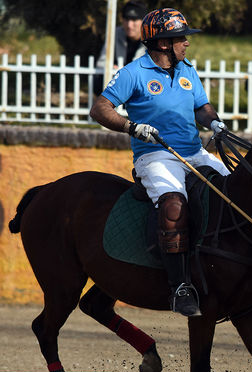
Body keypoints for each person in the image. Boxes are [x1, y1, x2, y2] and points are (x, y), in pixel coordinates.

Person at [90, 8, 232, 317]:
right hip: (155, 155)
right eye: (181, 38)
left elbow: (202, 107)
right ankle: (180, 286)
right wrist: (131, 127)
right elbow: (99, 108)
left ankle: (242, 274)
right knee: (173, 206)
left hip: (194, 152)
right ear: (164, 43)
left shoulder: (187, 70)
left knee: (236, 192)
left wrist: (215, 122)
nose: (187, 43)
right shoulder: (133, 72)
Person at [94, 1, 147, 94]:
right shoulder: (114, 34)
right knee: (98, 80)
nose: (129, 25)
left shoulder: (151, 38)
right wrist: (111, 67)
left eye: (134, 20)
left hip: (140, 88)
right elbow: (101, 63)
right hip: (117, 86)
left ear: (143, 21)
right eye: (126, 19)